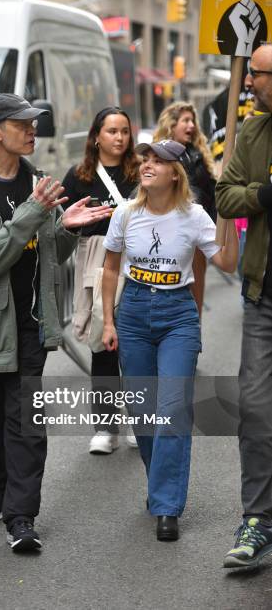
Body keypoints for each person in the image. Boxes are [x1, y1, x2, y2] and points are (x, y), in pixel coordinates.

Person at [0, 93, 111, 552]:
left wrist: (67, 229)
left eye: (34, 123)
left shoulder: (38, 181)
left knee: (26, 423)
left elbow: (51, 256)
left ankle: (22, 519)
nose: (33, 130)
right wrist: (37, 214)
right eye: (22, 124)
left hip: (30, 323)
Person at [102, 139, 238, 541]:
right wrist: (108, 322)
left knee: (174, 408)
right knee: (144, 413)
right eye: (146, 159)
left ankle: (166, 506)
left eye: (158, 162)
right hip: (134, 313)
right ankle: (160, 484)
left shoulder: (195, 217)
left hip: (178, 314)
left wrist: (227, 212)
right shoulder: (125, 214)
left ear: (175, 173)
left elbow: (227, 263)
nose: (147, 165)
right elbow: (110, 270)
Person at [216, 44, 272, 569]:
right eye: (250, 73)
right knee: (254, 410)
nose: (248, 82)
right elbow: (224, 194)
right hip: (263, 300)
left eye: (256, 74)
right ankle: (258, 519)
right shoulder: (253, 131)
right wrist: (263, 195)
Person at [62, 107, 139, 454]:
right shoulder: (79, 176)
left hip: (137, 260)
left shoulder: (141, 171)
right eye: (111, 131)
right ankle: (106, 426)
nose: (119, 137)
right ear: (96, 136)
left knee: (136, 345)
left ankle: (140, 420)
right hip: (95, 259)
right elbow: (61, 220)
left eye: (124, 131)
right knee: (103, 342)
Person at [153, 102, 217, 317]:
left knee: (195, 296)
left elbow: (211, 194)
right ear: (171, 124)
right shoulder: (158, 156)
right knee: (170, 293)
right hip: (169, 235)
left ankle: (191, 339)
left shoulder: (199, 153)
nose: (191, 126)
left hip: (197, 237)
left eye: (193, 121)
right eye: (185, 121)